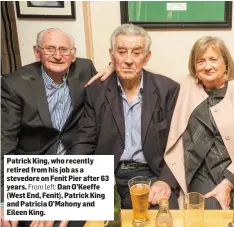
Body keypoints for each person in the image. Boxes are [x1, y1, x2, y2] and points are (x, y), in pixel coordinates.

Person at [69, 24, 180, 209]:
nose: (128, 60)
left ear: (147, 57)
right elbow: (84, 142)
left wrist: (165, 181)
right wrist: (71, 184)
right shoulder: (96, 91)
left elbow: (178, 143)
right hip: (106, 174)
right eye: (122, 52)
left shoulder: (168, 89)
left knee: (165, 218)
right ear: (112, 55)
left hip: (151, 174)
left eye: (136, 53)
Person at [163, 36, 234, 209]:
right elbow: (149, 81)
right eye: (201, 61)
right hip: (201, 171)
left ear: (226, 63)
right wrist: (112, 67)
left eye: (213, 60)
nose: (207, 66)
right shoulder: (187, 86)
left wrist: (228, 183)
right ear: (194, 67)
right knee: (208, 212)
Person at [1, 28, 96, 227]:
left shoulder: (85, 69)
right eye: (50, 49)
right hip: (31, 172)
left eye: (64, 49)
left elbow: (111, 79)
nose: (58, 56)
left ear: (73, 53)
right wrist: (4, 199)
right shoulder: (14, 85)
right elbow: (4, 144)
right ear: (37, 52)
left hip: (73, 166)